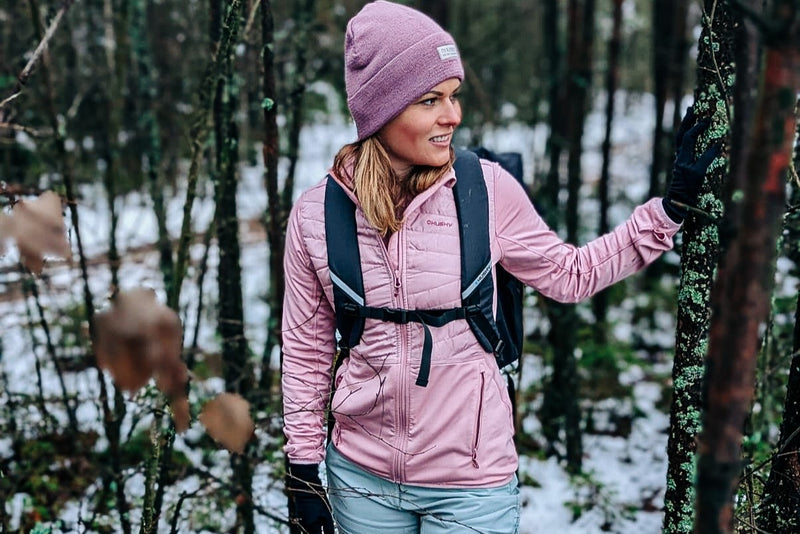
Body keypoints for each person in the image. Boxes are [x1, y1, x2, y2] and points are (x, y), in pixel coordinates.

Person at [281, 2, 719, 533]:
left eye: (453, 96)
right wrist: (303, 471)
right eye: (430, 100)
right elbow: (307, 352)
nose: (453, 116)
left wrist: (666, 213)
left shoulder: (484, 191)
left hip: (472, 483)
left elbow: (570, 274)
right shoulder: (316, 215)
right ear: (381, 110)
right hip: (361, 481)